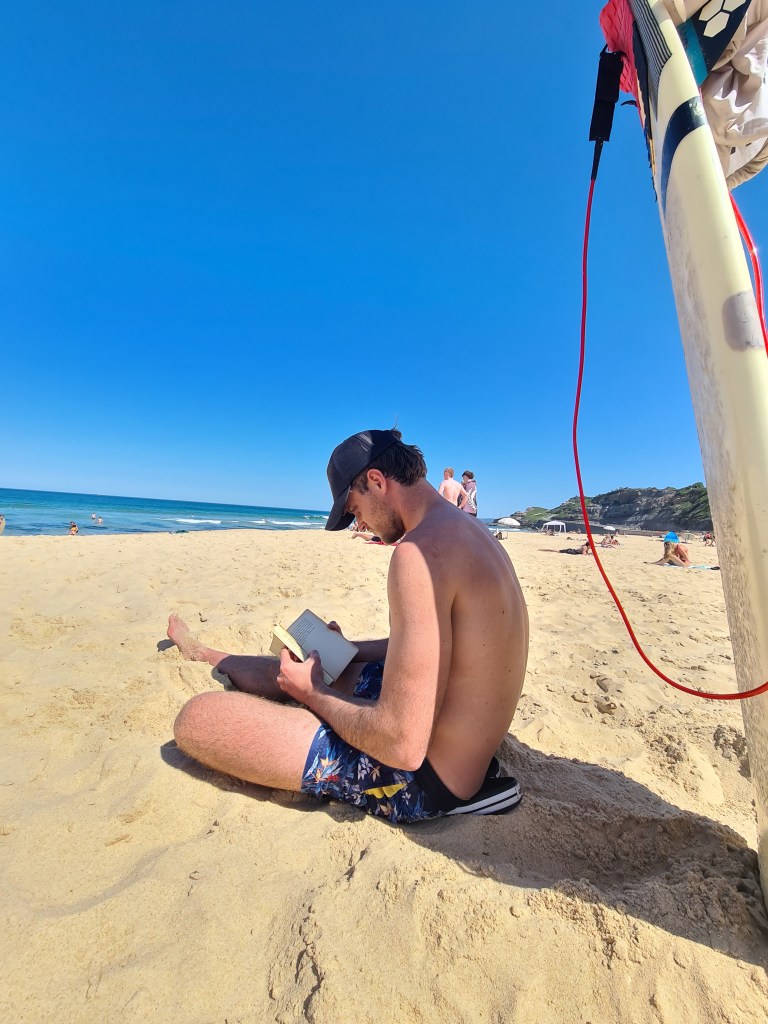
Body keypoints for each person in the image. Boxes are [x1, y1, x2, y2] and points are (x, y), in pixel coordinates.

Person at [169, 428, 529, 823]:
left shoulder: (420, 553)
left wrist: (313, 695)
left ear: (376, 481)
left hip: (424, 779)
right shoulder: (473, 531)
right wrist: (352, 650)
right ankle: (209, 654)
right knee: (327, 663)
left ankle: (285, 684)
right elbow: (448, 643)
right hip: (462, 744)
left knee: (198, 718)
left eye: (355, 509)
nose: (359, 523)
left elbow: (401, 745)